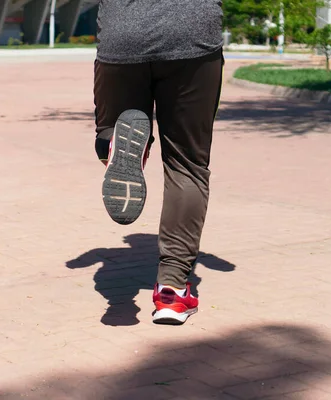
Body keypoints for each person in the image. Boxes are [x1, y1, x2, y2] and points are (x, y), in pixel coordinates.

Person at [93, 0, 224, 325]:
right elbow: (226, 267)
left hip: (121, 35)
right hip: (192, 36)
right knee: (187, 164)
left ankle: (118, 145)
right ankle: (172, 290)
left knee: (114, 131)